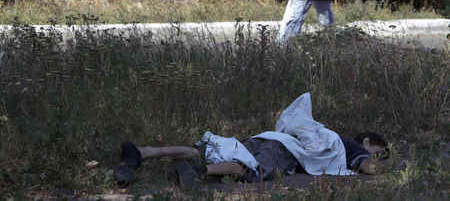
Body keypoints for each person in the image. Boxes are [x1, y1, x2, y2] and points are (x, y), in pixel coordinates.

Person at [113, 131, 389, 187]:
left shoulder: (323, 133)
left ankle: (142, 152)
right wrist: (394, 173)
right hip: (285, 151)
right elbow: (368, 167)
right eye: (380, 151)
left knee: (209, 149)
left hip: (269, 137)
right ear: (368, 142)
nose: (378, 156)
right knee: (251, 169)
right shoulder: (350, 145)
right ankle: (196, 173)